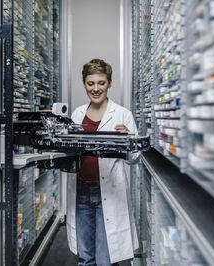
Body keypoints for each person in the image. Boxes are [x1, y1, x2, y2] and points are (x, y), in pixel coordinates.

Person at [66, 59, 139, 266]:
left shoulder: (123, 115)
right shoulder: (77, 115)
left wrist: (127, 141)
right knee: (85, 258)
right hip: (81, 191)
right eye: (91, 84)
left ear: (109, 83)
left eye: (101, 83)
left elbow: (135, 159)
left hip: (107, 191)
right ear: (84, 84)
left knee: (106, 261)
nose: (96, 89)